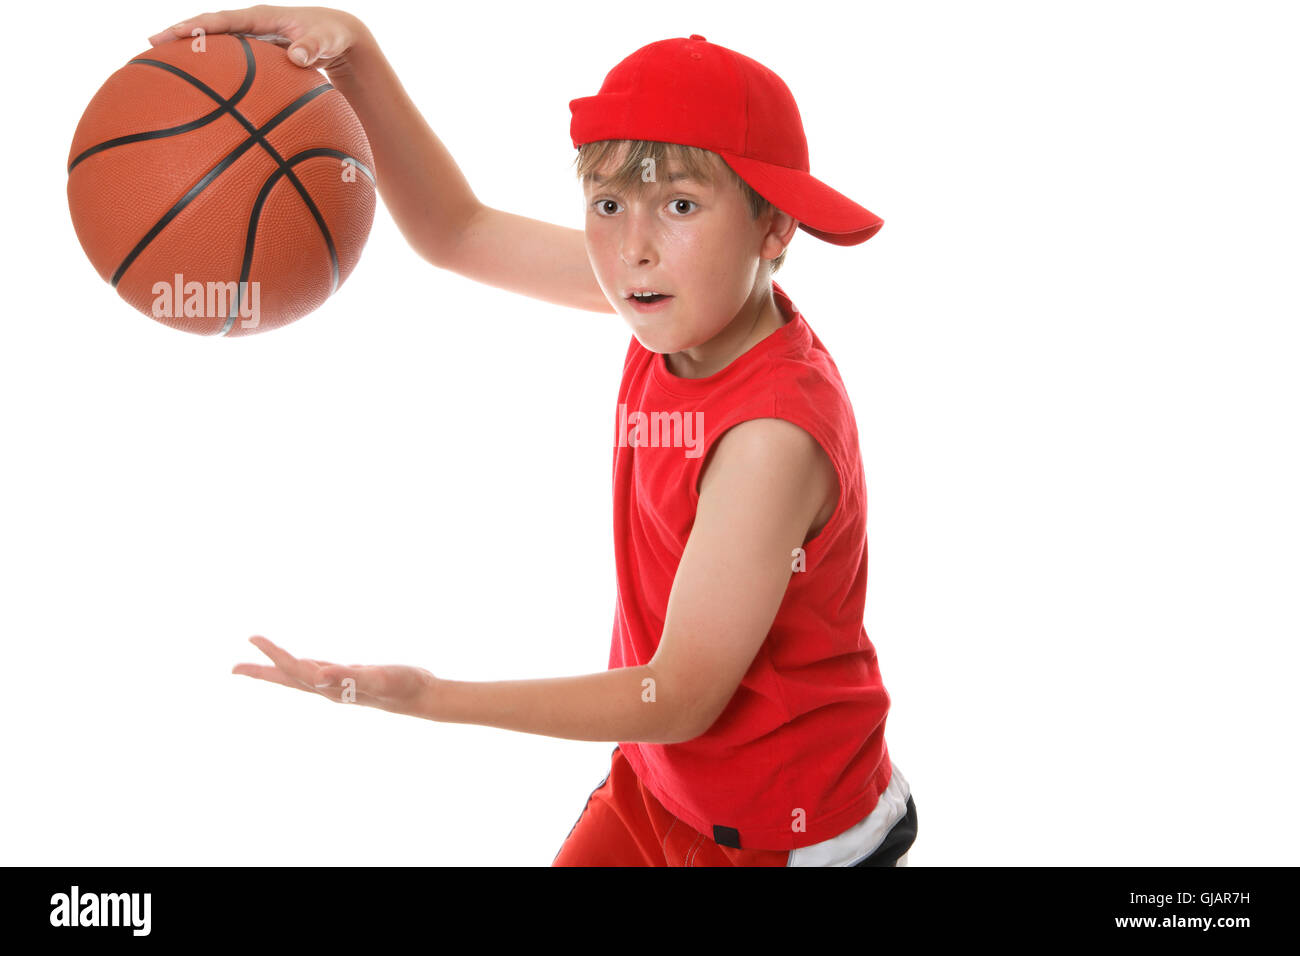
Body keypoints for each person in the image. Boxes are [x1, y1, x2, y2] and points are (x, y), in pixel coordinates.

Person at [155, 7, 917, 866]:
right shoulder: (680, 303)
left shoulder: (769, 436)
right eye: (607, 202)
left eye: (678, 203)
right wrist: (357, 54)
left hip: (783, 826)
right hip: (661, 777)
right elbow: (457, 232)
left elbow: (677, 696)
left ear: (773, 226)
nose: (631, 248)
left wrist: (427, 695)